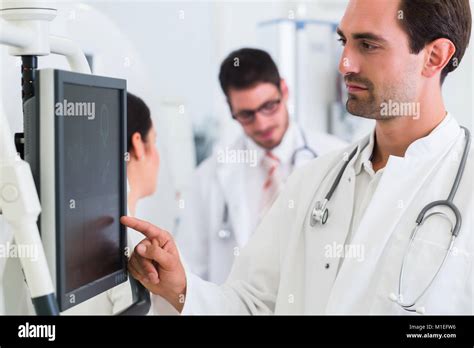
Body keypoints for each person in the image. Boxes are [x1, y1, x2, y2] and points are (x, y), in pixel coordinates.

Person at [123, 0, 473, 315]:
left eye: (367, 44)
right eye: (343, 41)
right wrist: (181, 288)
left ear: (435, 57)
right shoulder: (313, 181)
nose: (344, 64)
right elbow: (252, 305)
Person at [176, 48, 346, 284]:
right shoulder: (208, 177)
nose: (262, 123)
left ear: (284, 91)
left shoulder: (336, 157)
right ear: (231, 109)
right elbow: (190, 270)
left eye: (269, 106)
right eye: (246, 114)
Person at [65, 92, 160, 314]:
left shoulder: (51, 232)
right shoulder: (138, 250)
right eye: (154, 141)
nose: (157, 154)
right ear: (138, 144)